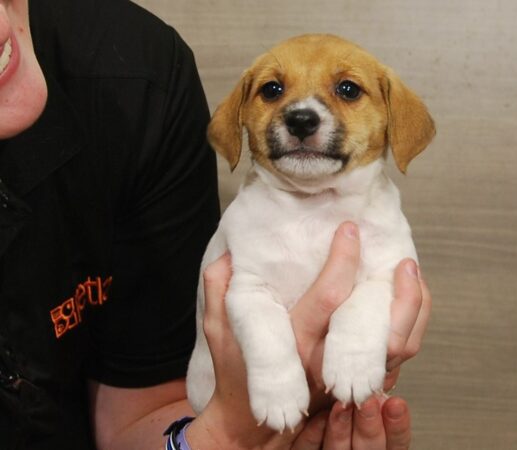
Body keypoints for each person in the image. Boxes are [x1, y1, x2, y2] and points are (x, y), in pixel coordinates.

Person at [0, 0, 431, 448]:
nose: (302, 113)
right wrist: (228, 431)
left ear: (392, 117)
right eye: (272, 90)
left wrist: (362, 330)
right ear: (240, 120)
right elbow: (244, 300)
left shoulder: (139, 69)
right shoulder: (249, 221)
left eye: (346, 89)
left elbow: (138, 416)